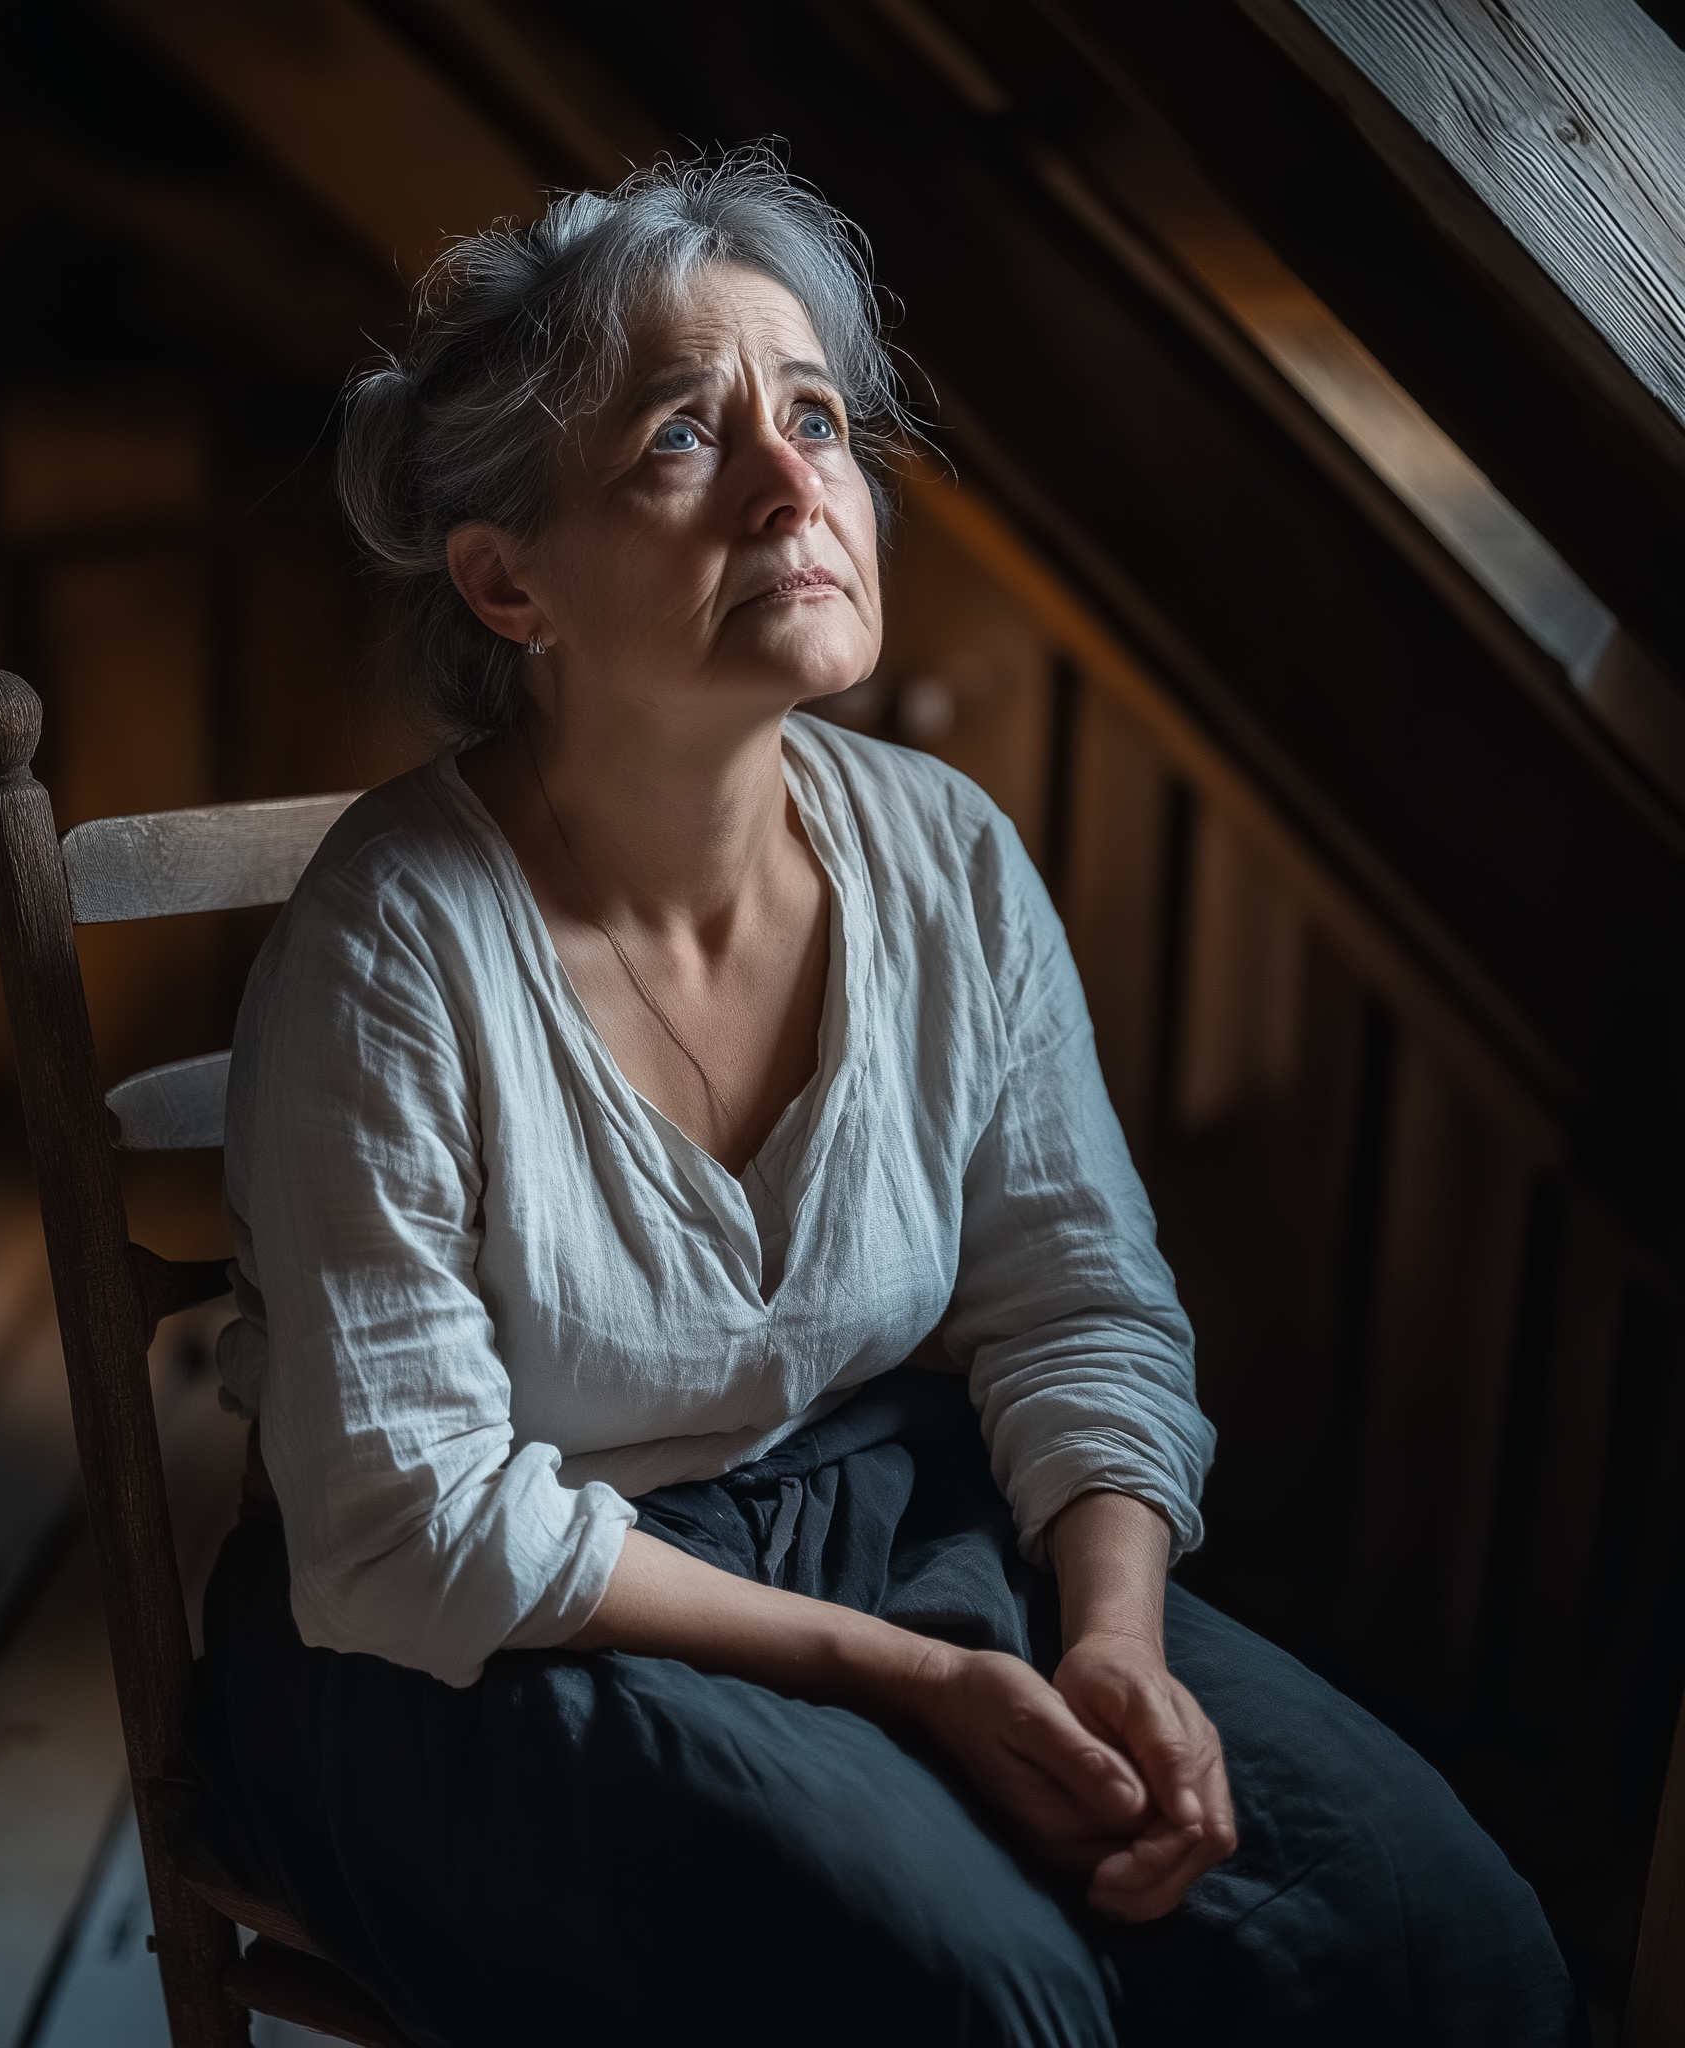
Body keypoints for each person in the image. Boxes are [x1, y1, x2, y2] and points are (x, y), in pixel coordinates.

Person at [187, 152, 1580, 2045]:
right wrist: (911, 1686)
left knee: (1438, 1926)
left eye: (819, 418)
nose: (797, 483)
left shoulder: (946, 862)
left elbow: (1075, 1306)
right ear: (510, 580)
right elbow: (406, 1517)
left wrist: (1107, 1640)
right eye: (688, 434)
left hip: (883, 1530)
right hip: (472, 1646)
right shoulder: (390, 946)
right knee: (978, 2002)